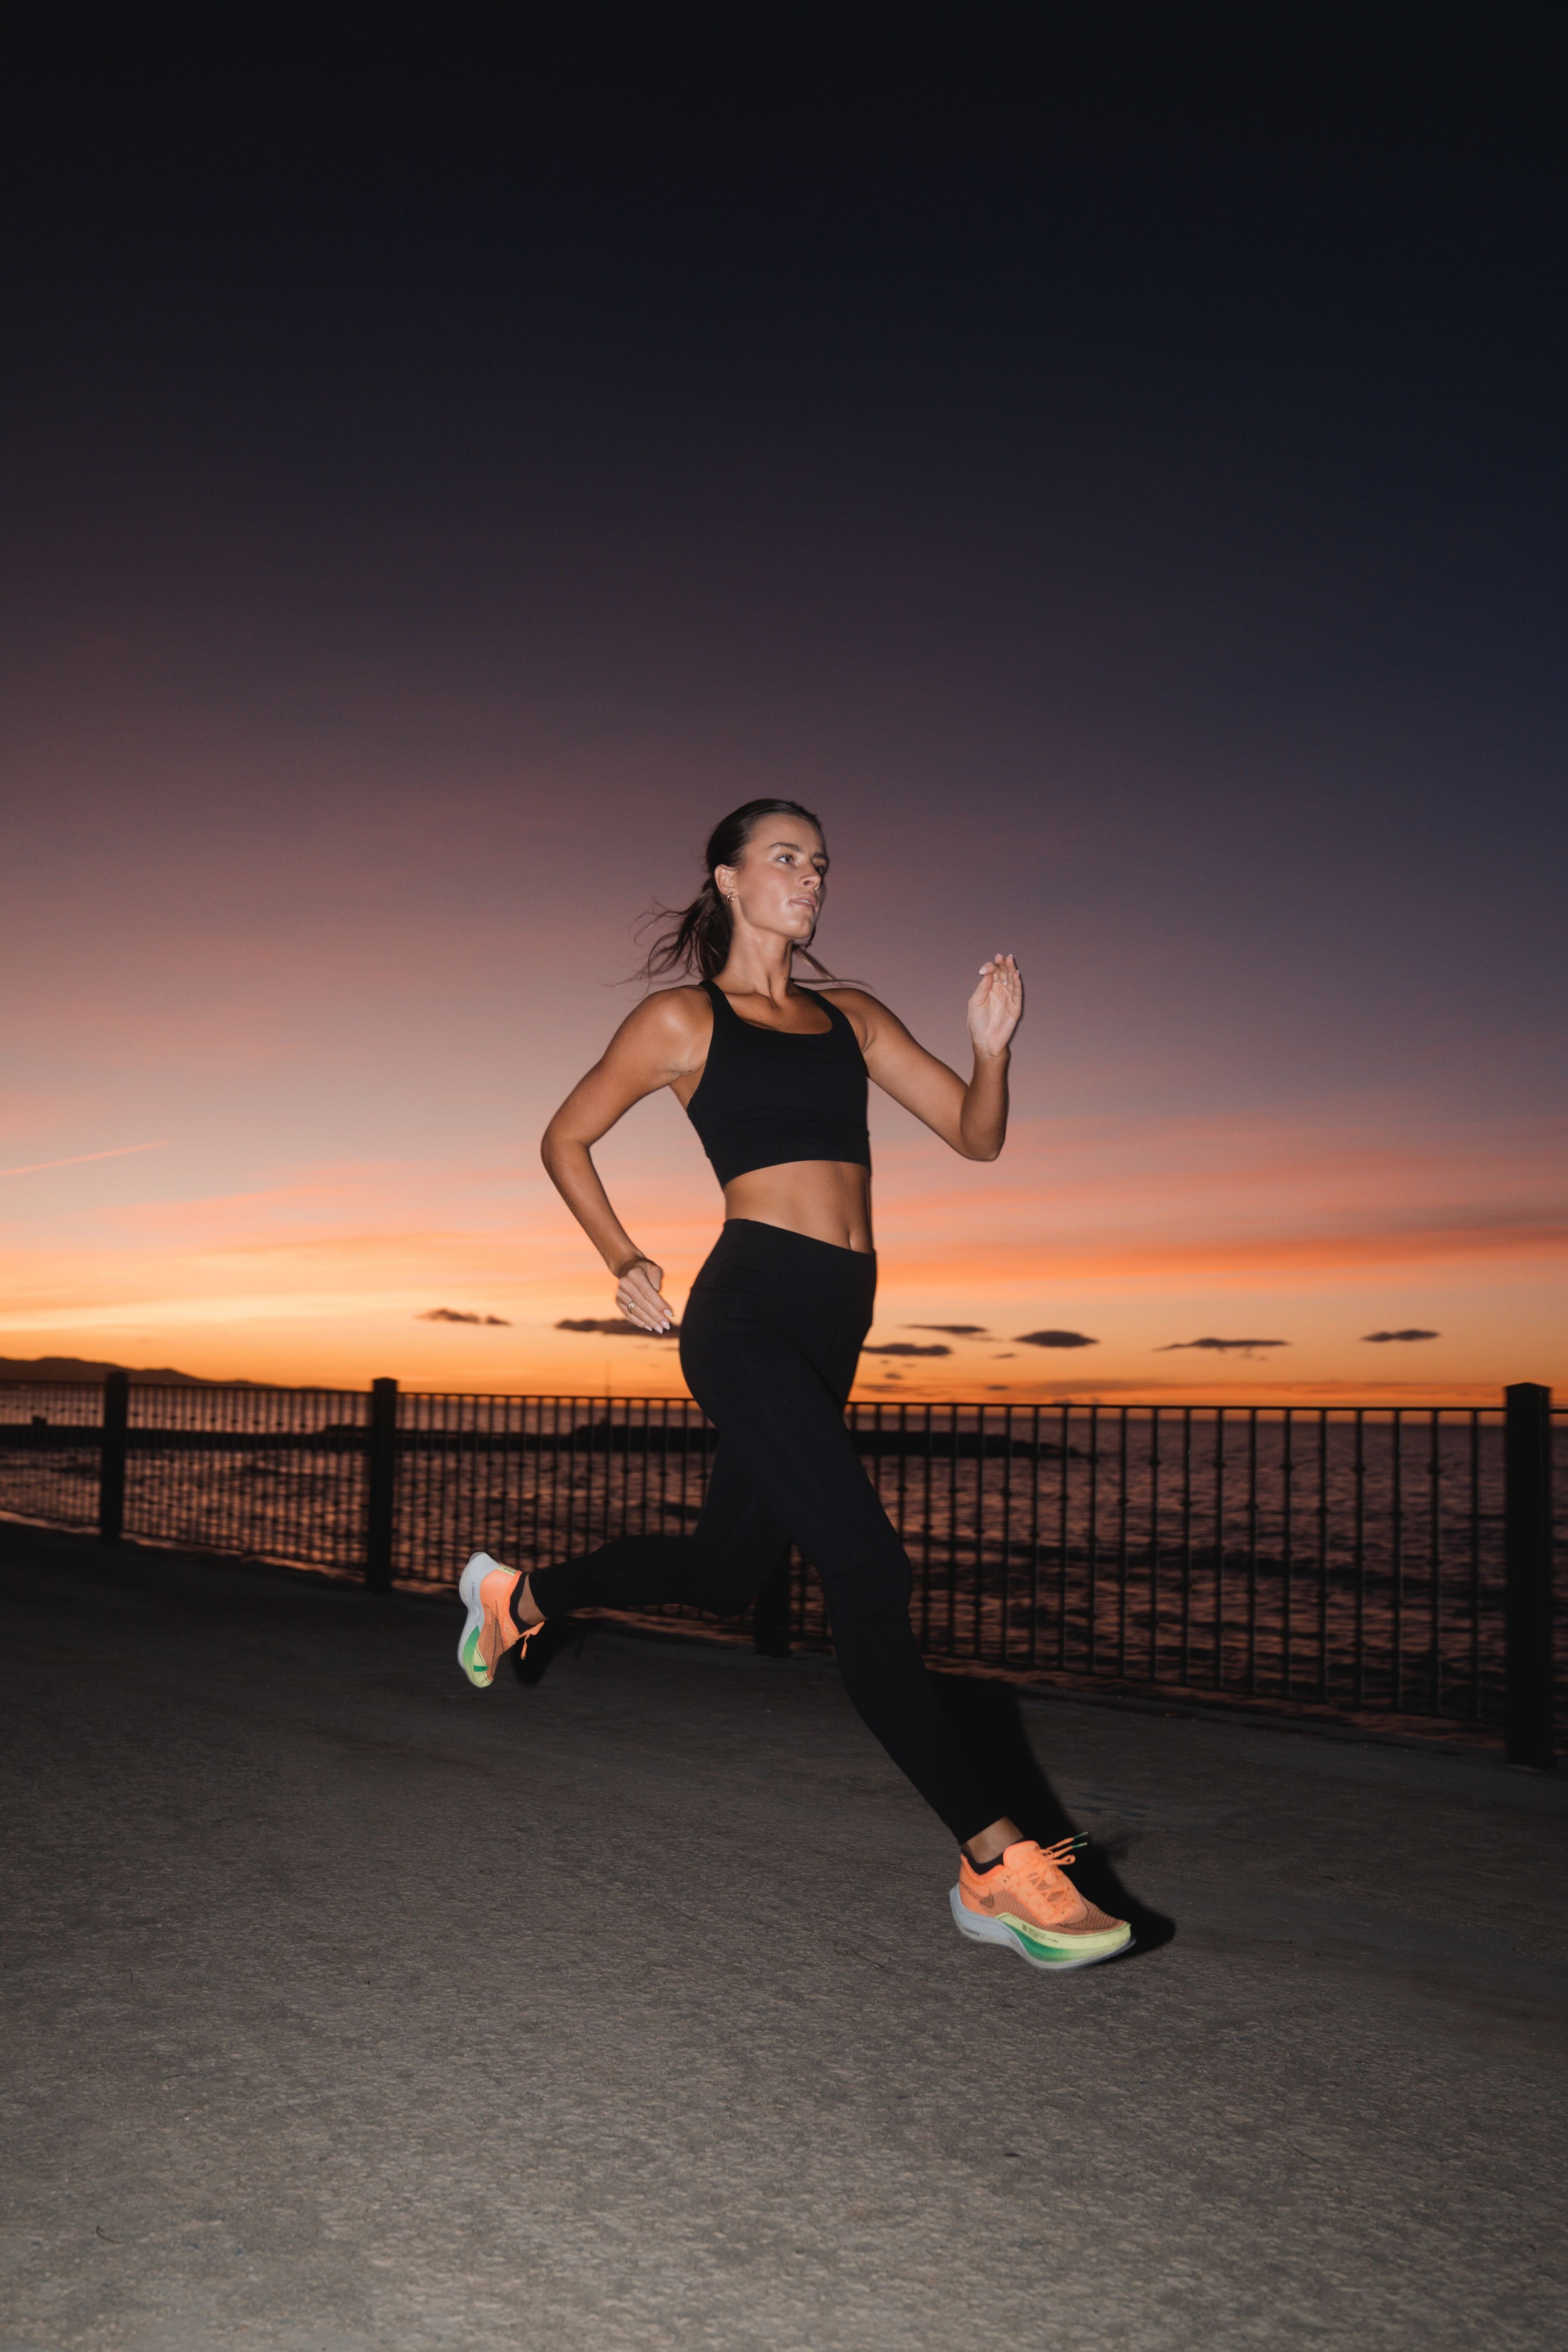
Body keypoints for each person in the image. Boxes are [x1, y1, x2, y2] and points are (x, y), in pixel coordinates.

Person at [457, 798, 1130, 1972]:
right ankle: (994, 1864)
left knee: (727, 1572)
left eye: (820, 864)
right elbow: (566, 1138)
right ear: (726, 879)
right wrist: (623, 1259)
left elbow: (977, 1138)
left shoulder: (853, 1016)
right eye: (785, 859)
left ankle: (517, 1597)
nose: (810, 879)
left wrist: (992, 1045)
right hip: (746, 1311)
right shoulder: (681, 1018)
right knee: (868, 1569)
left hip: (835, 1324)